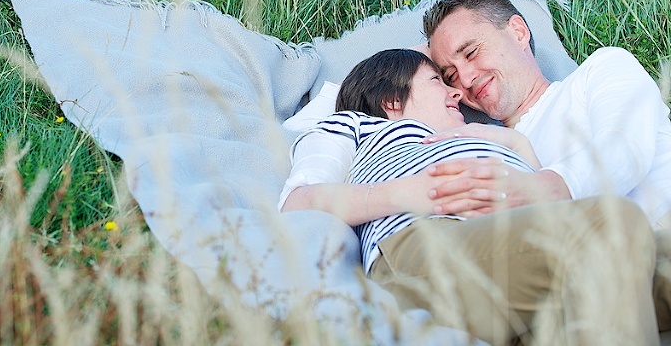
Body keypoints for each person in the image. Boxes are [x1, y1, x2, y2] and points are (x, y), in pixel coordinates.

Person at [279, 48, 658, 345]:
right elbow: (298, 202)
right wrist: (409, 193)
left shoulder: (498, 136)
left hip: (518, 255)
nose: (457, 91)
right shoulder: (355, 125)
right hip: (424, 246)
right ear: (392, 99)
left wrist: (507, 141)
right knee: (612, 222)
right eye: (437, 80)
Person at [421, 0, 671, 330]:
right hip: (578, 285)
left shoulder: (601, 70)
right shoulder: (491, 147)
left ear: (518, 31)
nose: (465, 78)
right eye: (448, 75)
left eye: (472, 52)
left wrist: (540, 189)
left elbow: (625, 150)